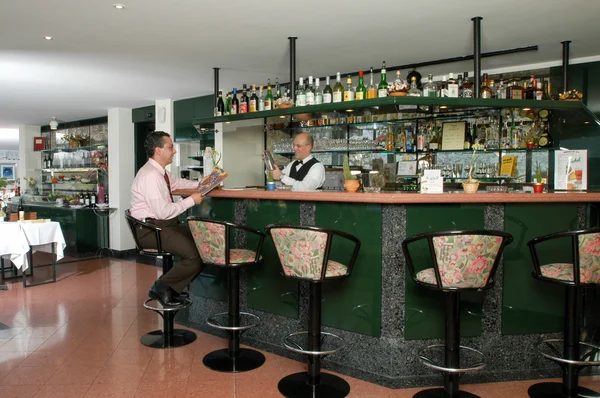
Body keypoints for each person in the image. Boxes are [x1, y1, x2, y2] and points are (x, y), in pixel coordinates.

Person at [130, 131, 204, 306]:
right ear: (158, 150)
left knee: (202, 244)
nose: (174, 151)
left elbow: (178, 183)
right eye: (170, 147)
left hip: (163, 226)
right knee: (194, 256)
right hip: (150, 230)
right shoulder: (151, 176)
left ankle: (171, 289)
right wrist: (191, 201)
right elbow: (163, 212)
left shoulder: (160, 172)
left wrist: (201, 183)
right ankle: (161, 287)